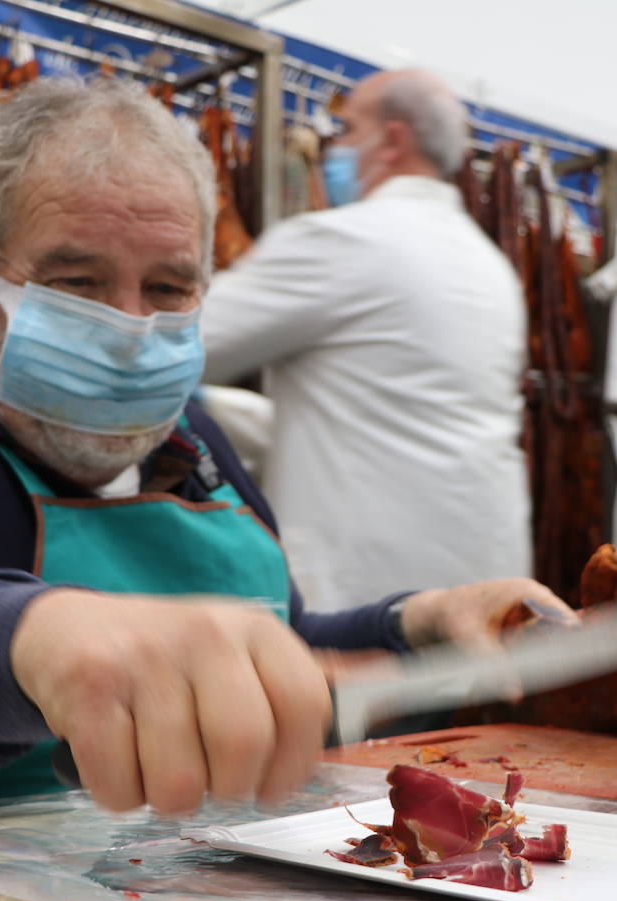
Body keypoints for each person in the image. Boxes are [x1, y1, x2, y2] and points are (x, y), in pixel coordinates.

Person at [0, 77, 571, 849]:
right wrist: (35, 641)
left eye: (167, 290)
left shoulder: (194, 444)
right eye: (78, 284)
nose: (130, 331)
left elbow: (267, 650)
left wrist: (412, 622)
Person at [198, 69, 531, 611]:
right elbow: (388, 413)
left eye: (348, 130)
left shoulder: (344, 242)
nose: (337, 148)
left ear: (393, 140)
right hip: (486, 590)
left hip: (365, 602)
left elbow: (176, 348)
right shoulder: (490, 267)